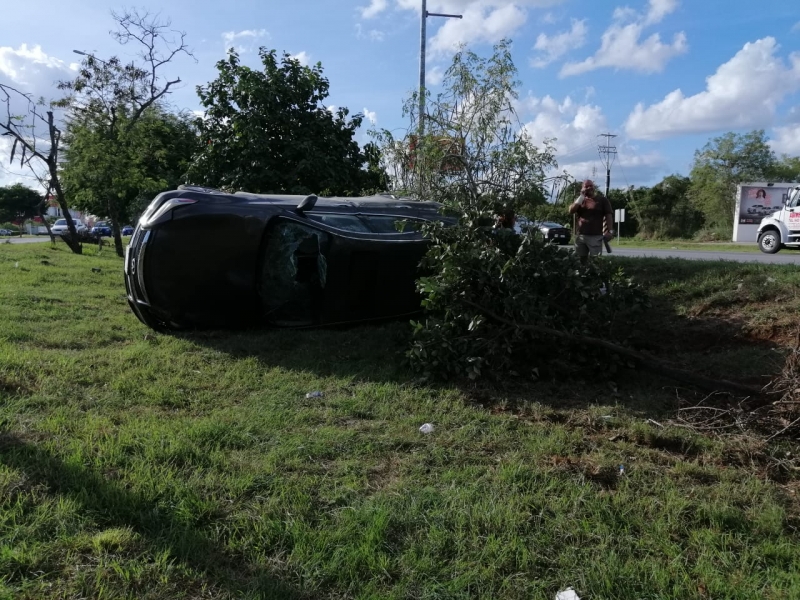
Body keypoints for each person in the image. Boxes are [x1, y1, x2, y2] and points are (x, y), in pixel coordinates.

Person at [568, 179, 613, 265]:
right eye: (586, 186)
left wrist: (610, 231)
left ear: (594, 187)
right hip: (581, 236)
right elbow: (571, 211)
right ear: (582, 188)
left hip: (595, 236)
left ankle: (595, 278)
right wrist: (581, 196)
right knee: (579, 261)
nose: (589, 188)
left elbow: (609, 216)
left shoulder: (602, 200)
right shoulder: (580, 201)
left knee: (596, 261)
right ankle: (582, 277)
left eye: (591, 185)